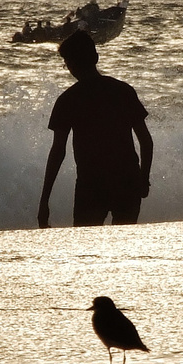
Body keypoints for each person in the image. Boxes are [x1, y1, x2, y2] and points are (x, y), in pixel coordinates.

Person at [38, 31, 153, 227]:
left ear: (71, 65)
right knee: (124, 246)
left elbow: (58, 152)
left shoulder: (68, 100)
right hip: (127, 181)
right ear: (96, 58)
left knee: (87, 251)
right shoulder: (123, 90)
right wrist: (143, 178)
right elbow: (146, 141)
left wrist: (44, 201)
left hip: (91, 185)